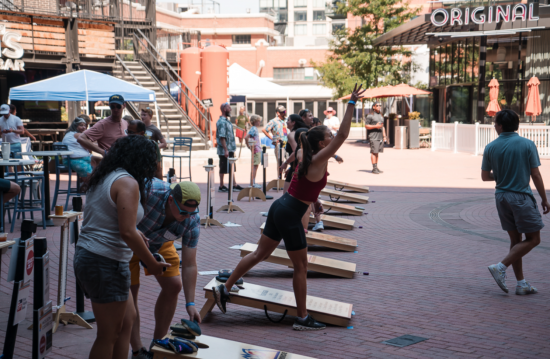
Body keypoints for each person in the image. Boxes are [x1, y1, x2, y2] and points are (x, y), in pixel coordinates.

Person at [212, 84, 366, 331]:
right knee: (301, 267)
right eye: (328, 136)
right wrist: (351, 104)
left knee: (259, 255)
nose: (331, 137)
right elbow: (343, 135)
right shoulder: (315, 157)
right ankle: (302, 318)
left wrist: (314, 200)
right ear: (322, 143)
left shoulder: (307, 153)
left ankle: (225, 288)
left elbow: (305, 183)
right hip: (291, 214)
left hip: (280, 207)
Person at [73, 136, 170, 359]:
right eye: (152, 161)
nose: (155, 167)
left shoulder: (107, 175)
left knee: (127, 321)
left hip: (97, 257)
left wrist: (138, 233)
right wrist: (152, 264)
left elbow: (111, 219)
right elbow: (126, 232)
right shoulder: (127, 182)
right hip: (104, 260)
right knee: (108, 334)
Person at [129, 180, 201, 359]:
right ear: (170, 200)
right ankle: (138, 350)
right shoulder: (149, 193)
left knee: (173, 286)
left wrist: (190, 304)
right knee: (130, 293)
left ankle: (157, 344)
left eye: (192, 212)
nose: (187, 216)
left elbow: (190, 263)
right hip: (129, 241)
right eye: (183, 211)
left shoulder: (191, 221)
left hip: (159, 242)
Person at [482, 109, 549, 295]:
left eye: (495, 123)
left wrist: (503, 175)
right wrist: (544, 198)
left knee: (515, 240)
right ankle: (500, 267)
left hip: (501, 197)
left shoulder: (490, 147)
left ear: (501, 126)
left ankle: (521, 283)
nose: (494, 127)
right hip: (520, 197)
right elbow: (535, 174)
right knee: (534, 239)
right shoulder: (527, 144)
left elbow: (485, 177)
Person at [217, 102, 243, 193]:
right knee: (223, 167)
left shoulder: (227, 121)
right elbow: (222, 137)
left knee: (231, 166)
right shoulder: (221, 122)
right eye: (229, 107)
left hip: (230, 148)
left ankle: (234, 184)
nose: (231, 109)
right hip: (225, 149)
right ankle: (221, 186)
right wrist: (225, 150)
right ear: (224, 109)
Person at [364, 102, 386, 174]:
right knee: (374, 152)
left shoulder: (381, 115)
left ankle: (376, 167)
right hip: (373, 136)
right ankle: (374, 168)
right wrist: (375, 126)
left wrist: (384, 135)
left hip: (380, 136)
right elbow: (366, 126)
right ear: (373, 107)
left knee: (377, 152)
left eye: (380, 105)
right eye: (377, 105)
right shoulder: (370, 115)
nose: (379, 107)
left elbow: (382, 126)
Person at [263, 105, 286, 171]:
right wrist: (272, 138)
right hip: (279, 144)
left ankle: (287, 179)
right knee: (280, 163)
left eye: (284, 111)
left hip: (287, 143)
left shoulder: (287, 119)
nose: (284, 112)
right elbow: (264, 129)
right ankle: (279, 179)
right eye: (282, 112)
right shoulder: (273, 121)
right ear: (278, 113)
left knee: (289, 161)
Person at [244, 115, 262, 188]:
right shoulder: (253, 128)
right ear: (255, 122)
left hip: (257, 149)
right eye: (258, 121)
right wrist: (248, 146)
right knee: (254, 166)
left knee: (255, 166)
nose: (259, 122)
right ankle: (252, 182)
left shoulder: (254, 128)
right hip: (256, 149)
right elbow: (246, 137)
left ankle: (253, 181)